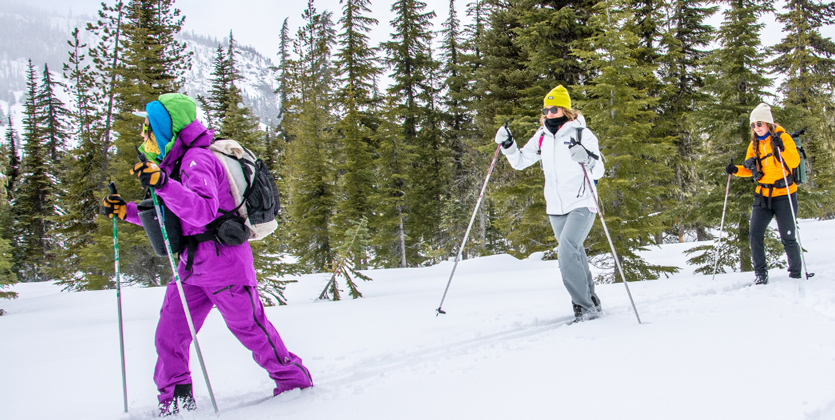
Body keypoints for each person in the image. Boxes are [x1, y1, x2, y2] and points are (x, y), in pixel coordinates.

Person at [102, 93, 312, 415]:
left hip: (224, 264)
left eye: (149, 129)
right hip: (190, 268)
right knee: (169, 335)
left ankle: (295, 383)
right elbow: (170, 215)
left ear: (166, 130)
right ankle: (176, 402)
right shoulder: (172, 164)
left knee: (252, 330)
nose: (144, 137)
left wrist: (162, 182)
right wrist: (126, 211)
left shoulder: (198, 160)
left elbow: (201, 212)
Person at [494, 85, 605, 322]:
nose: (550, 113)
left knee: (566, 251)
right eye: (546, 109)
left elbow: (600, 169)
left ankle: (583, 308)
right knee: (575, 253)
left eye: (554, 108)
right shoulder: (542, 136)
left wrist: (586, 157)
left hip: (582, 203)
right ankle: (592, 301)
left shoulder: (582, 134)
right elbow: (521, 161)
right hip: (555, 208)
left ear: (565, 109)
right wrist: (508, 146)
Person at [725, 102, 802, 285]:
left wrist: (781, 148)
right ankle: (761, 274)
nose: (756, 128)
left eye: (759, 123)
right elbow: (750, 169)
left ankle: (796, 275)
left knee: (788, 236)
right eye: (753, 125)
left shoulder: (783, 138)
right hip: (763, 195)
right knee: (755, 234)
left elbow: (794, 162)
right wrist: (735, 170)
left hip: (785, 195)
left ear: (768, 123)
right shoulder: (754, 145)